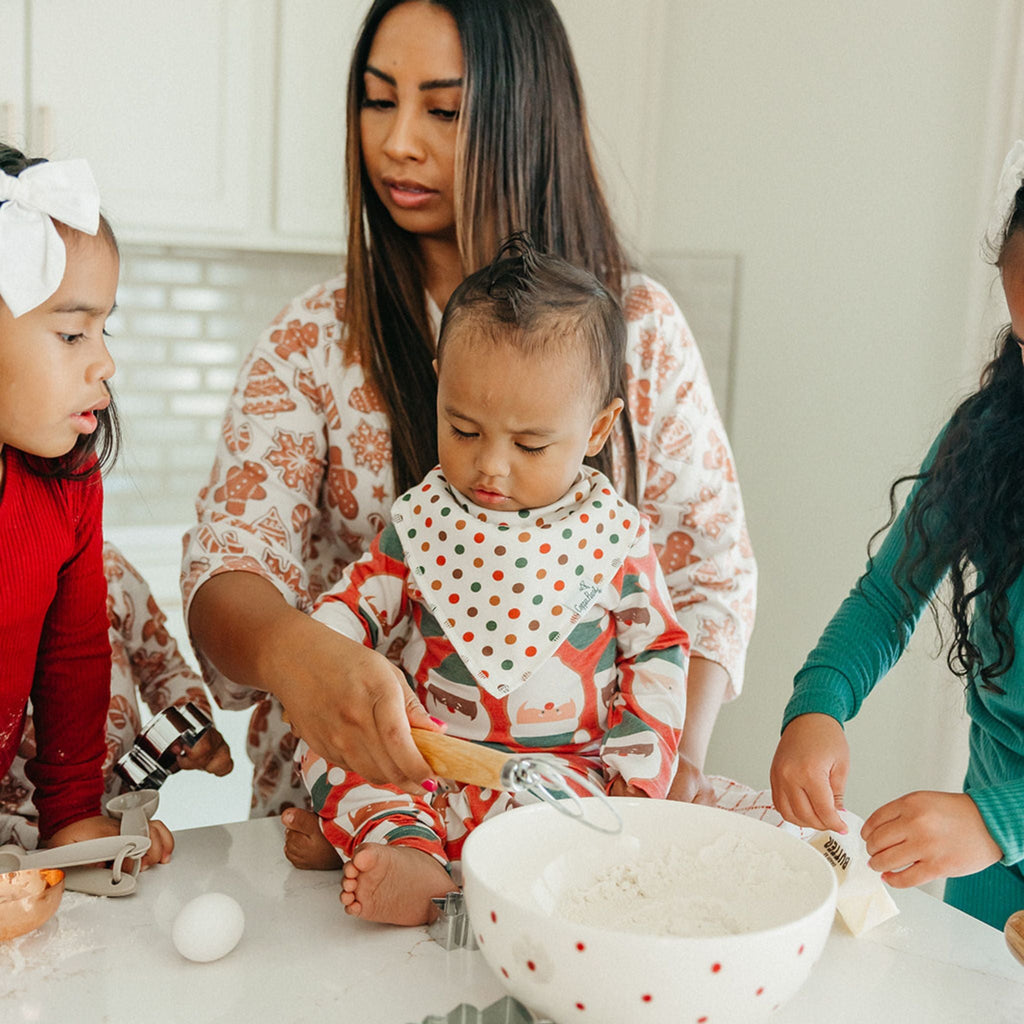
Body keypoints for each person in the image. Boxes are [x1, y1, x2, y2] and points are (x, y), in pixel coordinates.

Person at [183, 0, 756, 858]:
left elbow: (706, 582)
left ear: (526, 115)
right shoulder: (313, 337)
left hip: (569, 836)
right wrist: (297, 653)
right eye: (379, 100)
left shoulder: (639, 329)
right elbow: (228, 565)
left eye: (443, 110)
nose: (398, 142)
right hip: (351, 837)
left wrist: (672, 767)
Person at [299, 236, 689, 923]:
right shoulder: (422, 522)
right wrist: (322, 665)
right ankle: (409, 854)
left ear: (598, 429)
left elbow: (657, 651)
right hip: (432, 763)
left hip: (560, 779)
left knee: (598, 835)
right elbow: (348, 612)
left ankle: (430, 866)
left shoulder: (615, 538)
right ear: (439, 388)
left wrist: (637, 777)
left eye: (530, 444)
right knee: (337, 757)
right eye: (463, 429)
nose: (491, 466)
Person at [770, 140, 1024, 930]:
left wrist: (996, 820)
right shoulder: (989, 435)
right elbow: (888, 598)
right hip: (992, 885)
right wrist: (818, 706)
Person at [0, 144, 172, 863]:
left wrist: (72, 813)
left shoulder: (69, 480)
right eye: (72, 334)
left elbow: (71, 654)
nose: (105, 362)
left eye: (104, 329)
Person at [0, 540, 234, 848]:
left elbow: (164, 668)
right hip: (15, 843)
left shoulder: (107, 568)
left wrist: (192, 727)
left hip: (116, 820)